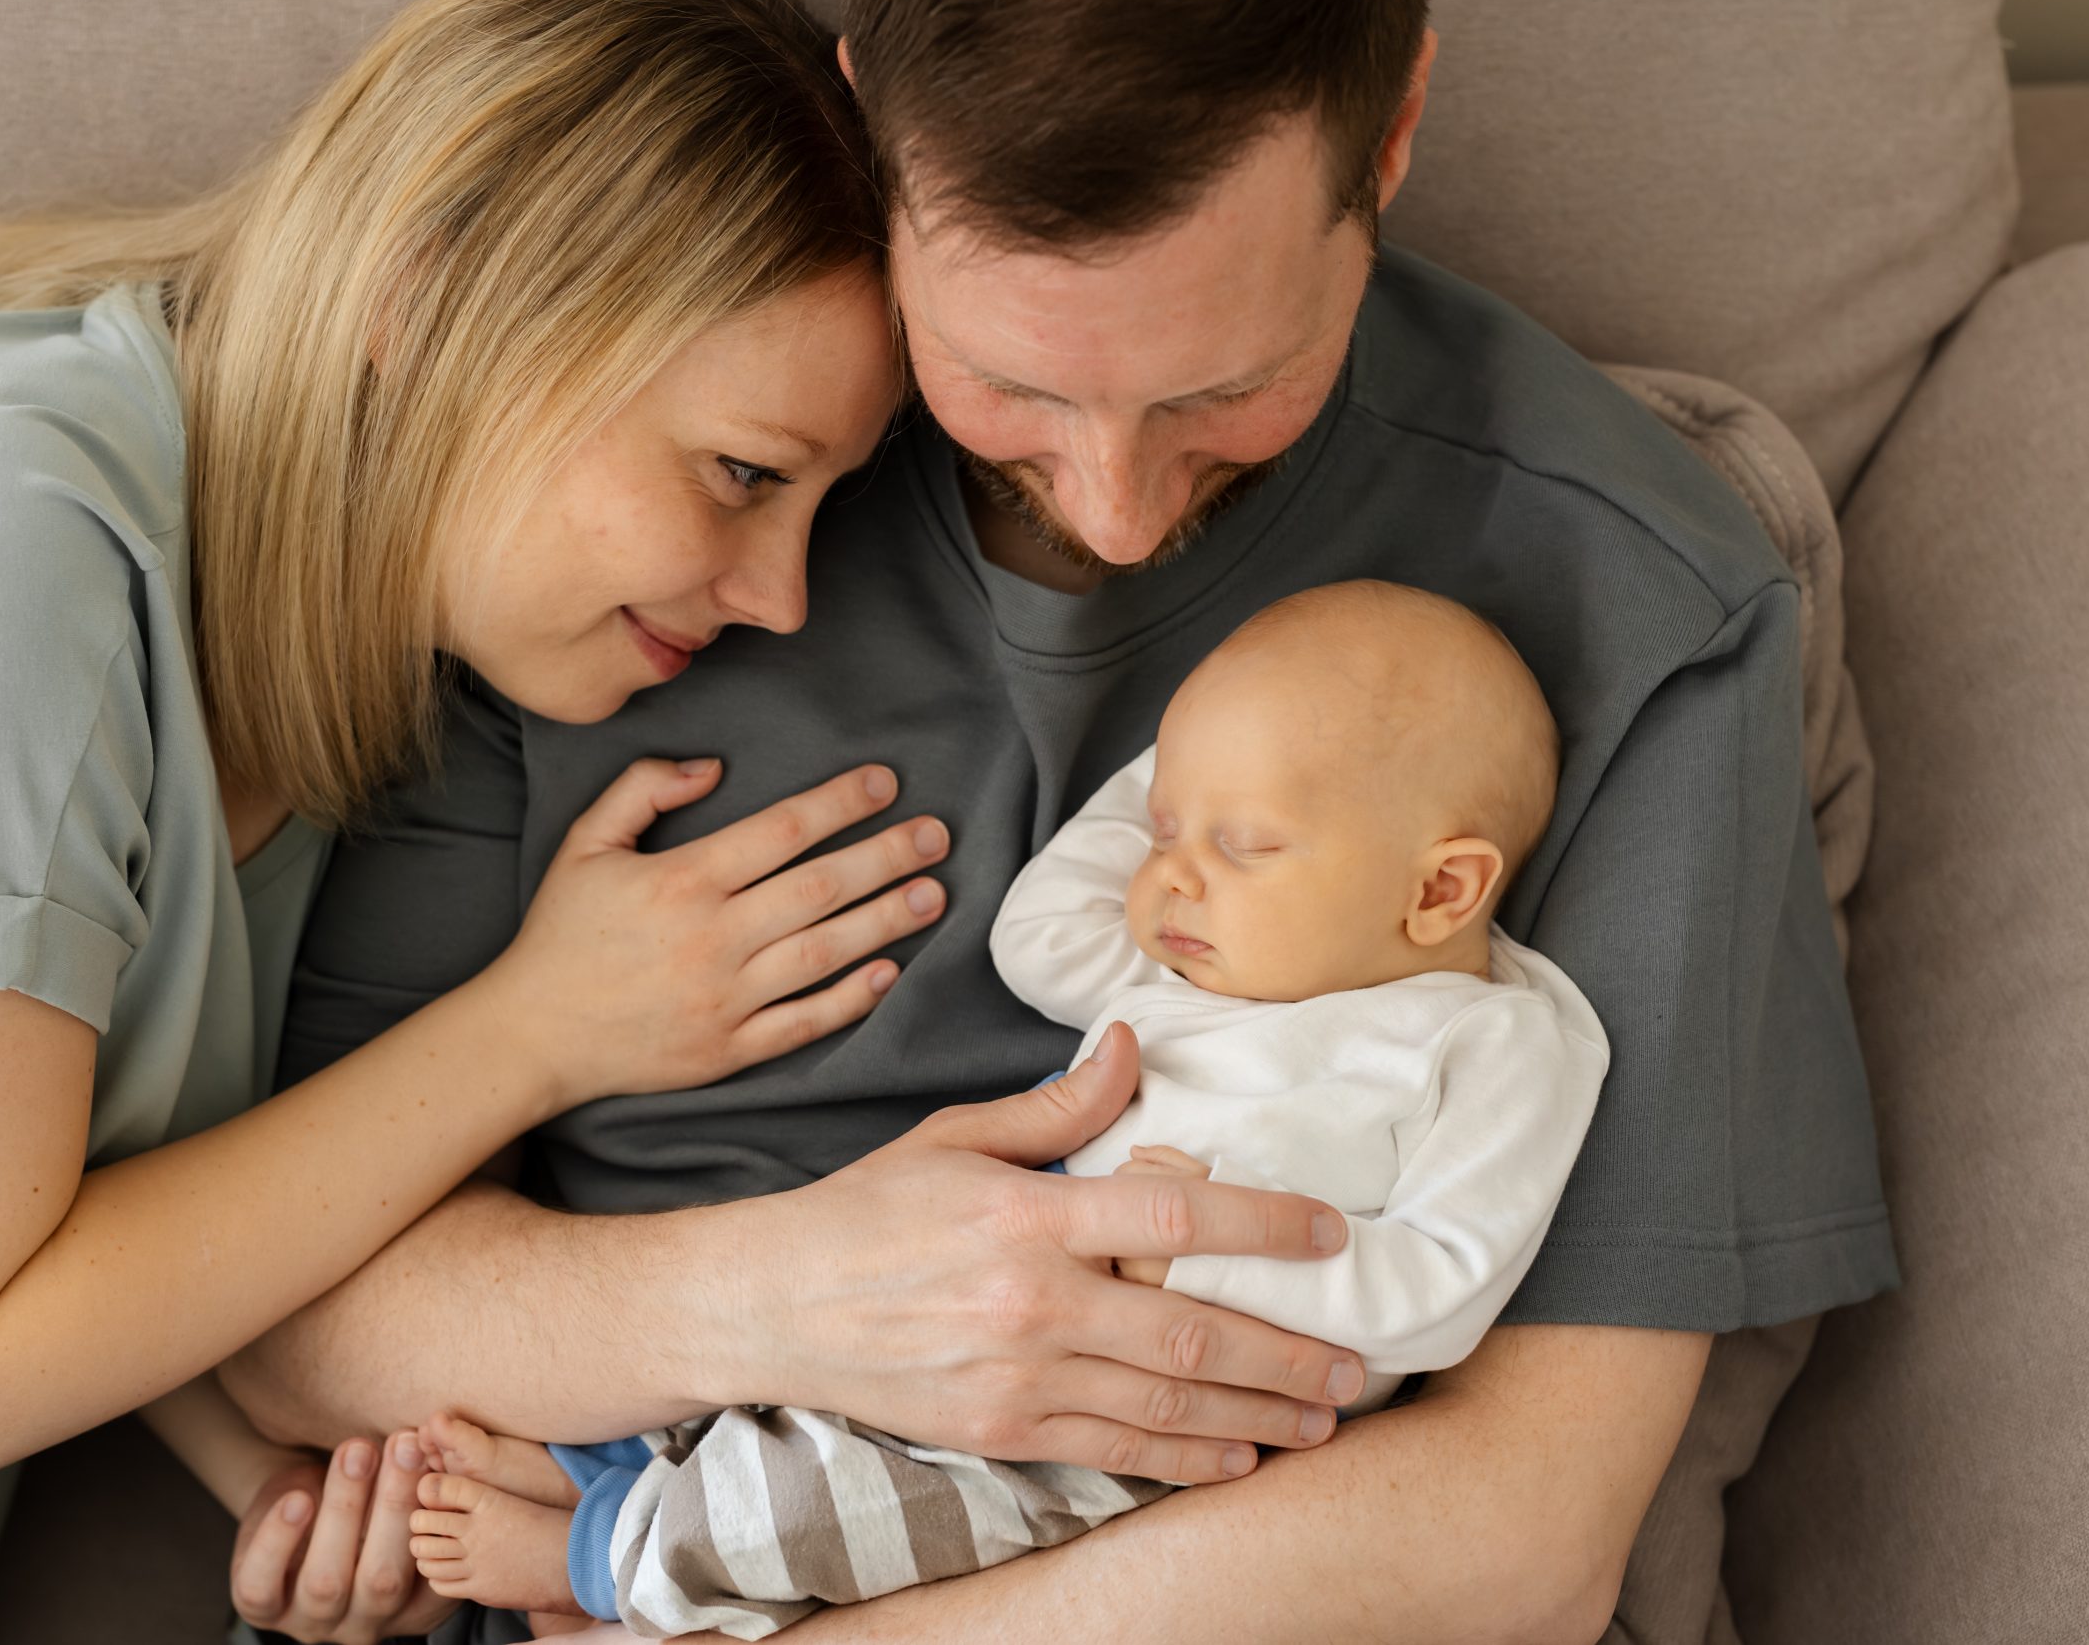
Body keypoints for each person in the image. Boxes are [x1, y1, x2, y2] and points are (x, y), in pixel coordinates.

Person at [232, 0, 1900, 1640]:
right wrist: (796, 1299)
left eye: (1223, 389)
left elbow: (1517, 1537)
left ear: (1387, 138)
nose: (1112, 511)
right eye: (1012, 386)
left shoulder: (1642, 598)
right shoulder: (625, 494)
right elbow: (280, 1308)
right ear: (880, 132)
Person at [0, 0, 982, 1640]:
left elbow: (39, 1180)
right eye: (742, 475)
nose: (782, 594)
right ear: (434, 299)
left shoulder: (319, 681)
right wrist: (533, 1030)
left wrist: (269, 1480)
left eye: (820, 507)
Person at [399, 580, 1613, 1638]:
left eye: (1243, 843)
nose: (1174, 873)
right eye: (1164, 831)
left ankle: (596, 1557)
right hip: (993, 1316)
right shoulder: (1189, 974)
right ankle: (600, 1462)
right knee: (823, 1384)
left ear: (1441, 886)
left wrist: (1200, 1275)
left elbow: (1448, 1284)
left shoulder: (1497, 1037)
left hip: (1147, 1431)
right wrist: (1198, 767)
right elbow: (1039, 941)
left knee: (867, 1517)